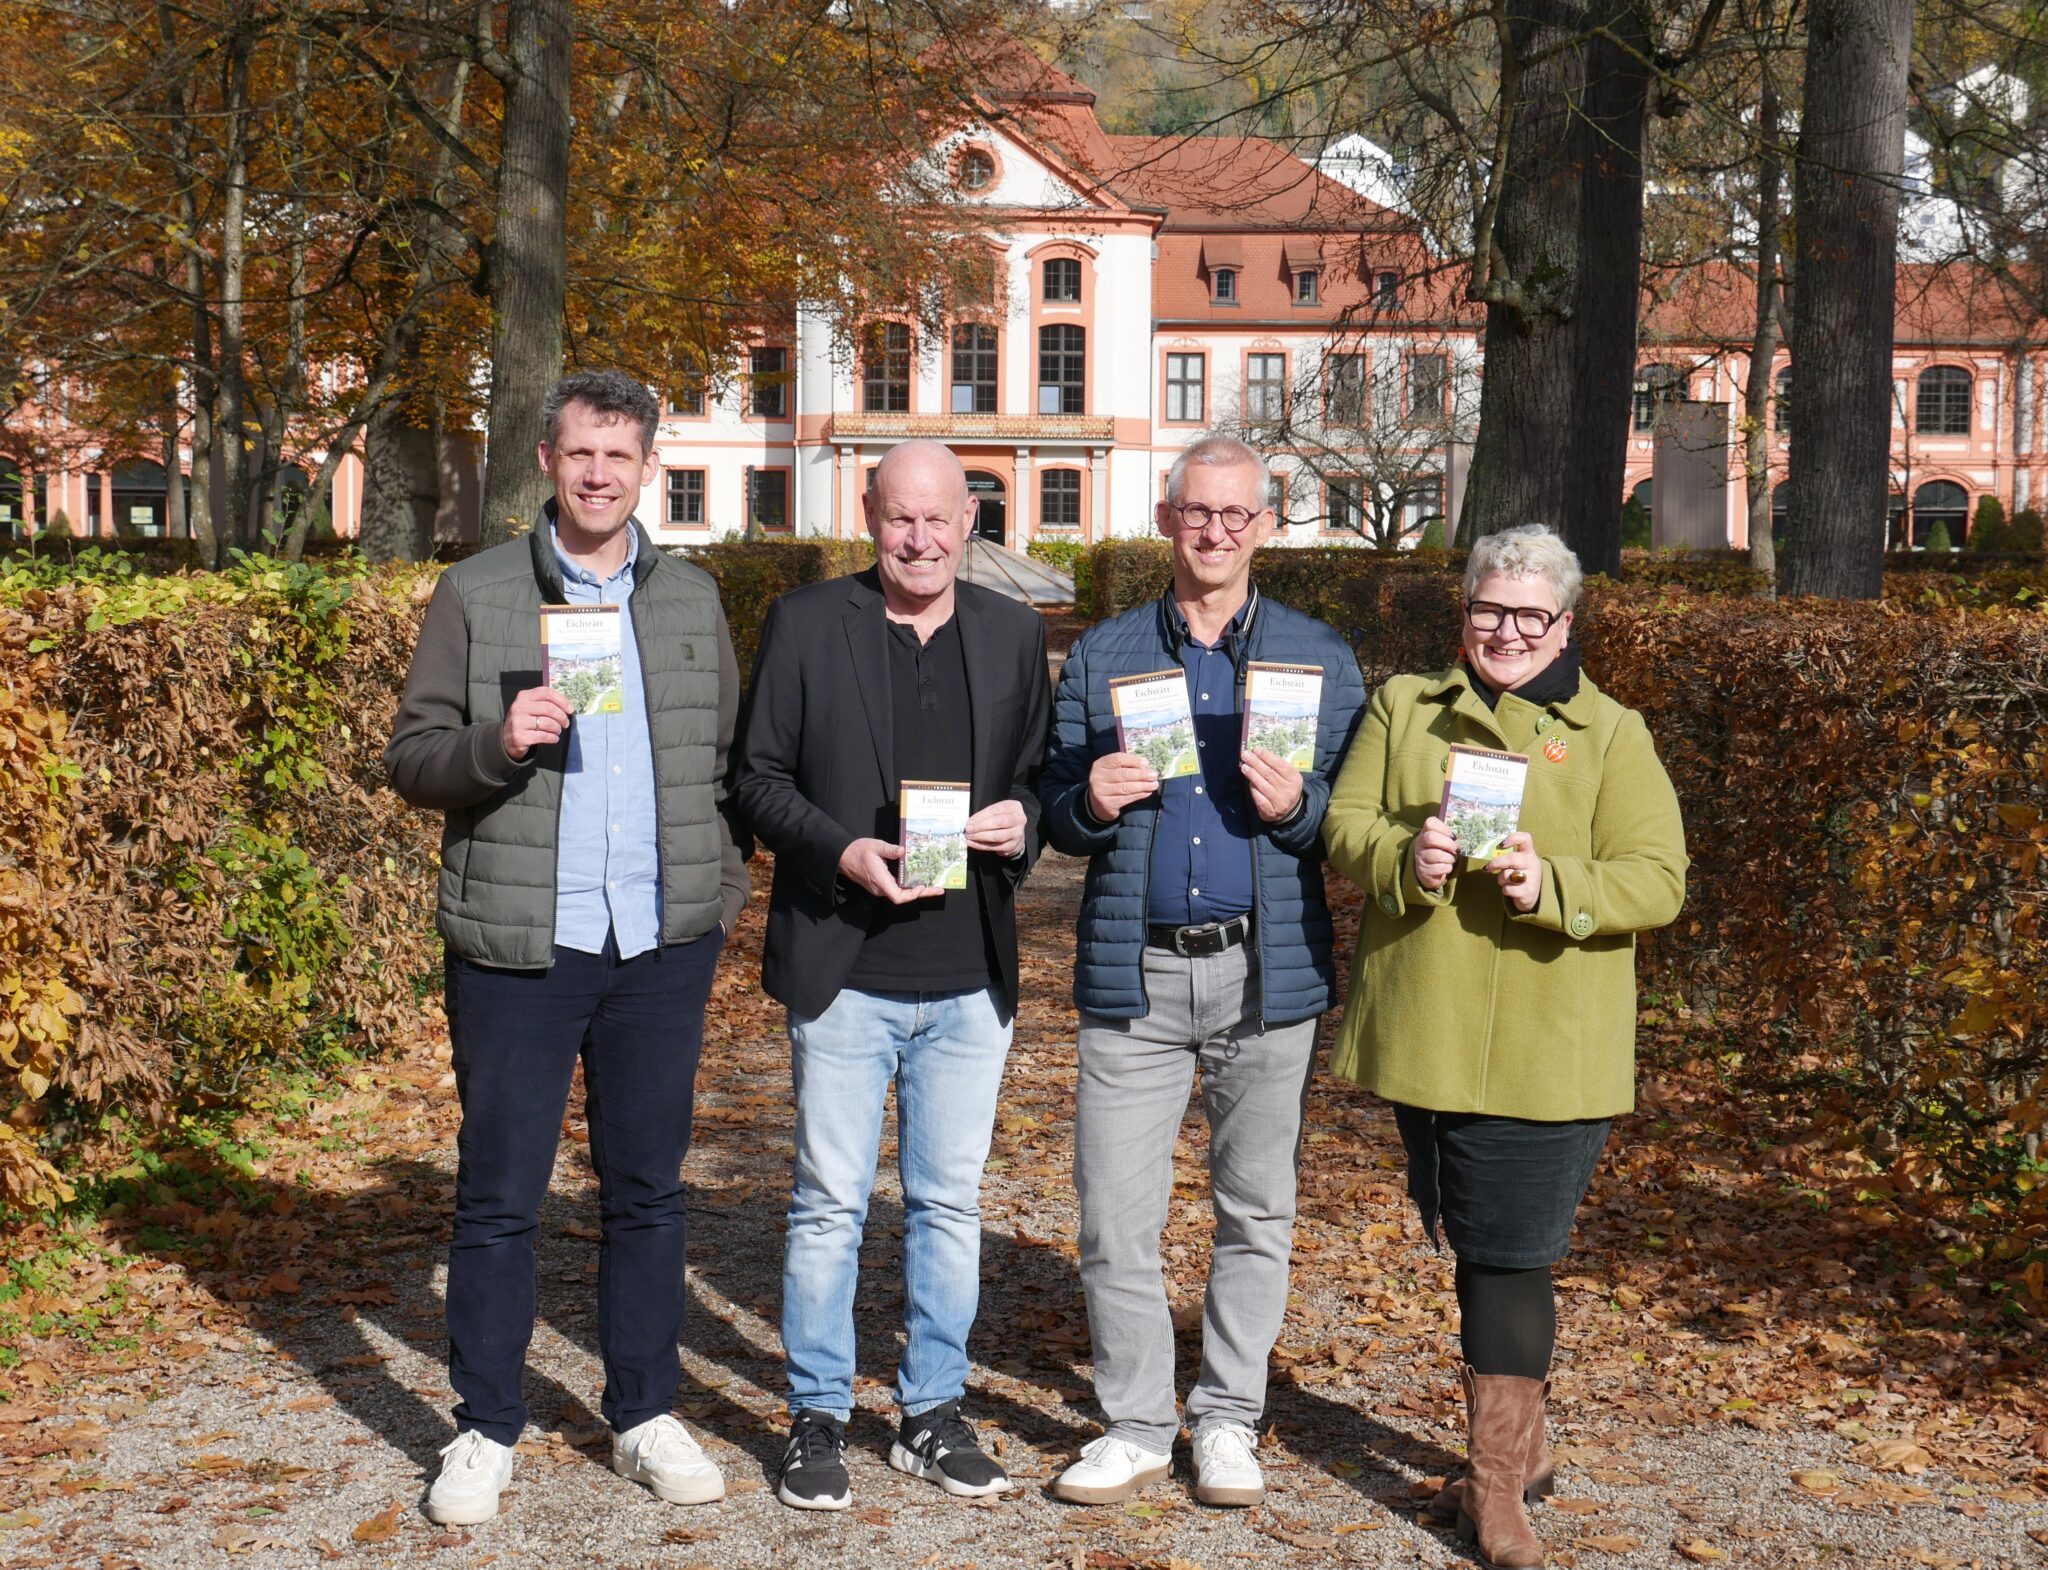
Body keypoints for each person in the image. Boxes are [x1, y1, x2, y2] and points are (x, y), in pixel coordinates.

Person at [385, 369, 747, 1526]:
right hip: (519, 945)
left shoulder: (690, 599)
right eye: (580, 453)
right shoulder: (478, 590)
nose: (599, 474)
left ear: (648, 466)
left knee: (647, 1192)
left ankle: (643, 1410)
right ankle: (485, 1427)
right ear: (546, 459)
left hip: (653, 943)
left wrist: (718, 895)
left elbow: (729, 766)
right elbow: (412, 758)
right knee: (498, 1198)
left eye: (621, 456)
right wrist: (497, 740)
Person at [1322, 524, 1687, 1569]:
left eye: (1531, 615)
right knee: (1470, 1235)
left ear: (1564, 624)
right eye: (1490, 609)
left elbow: (1657, 877)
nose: (1508, 631)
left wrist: (1554, 885)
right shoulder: (1403, 706)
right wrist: (1407, 851)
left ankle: (1494, 1494)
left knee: (1504, 1257)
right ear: (1464, 611)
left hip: (1550, 1041)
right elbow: (1344, 825)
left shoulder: (1610, 731)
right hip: (1423, 1027)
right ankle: (1522, 1450)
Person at [1038, 434, 1366, 1509]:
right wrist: (1091, 799)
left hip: (1261, 974)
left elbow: (1353, 822)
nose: (1213, 531)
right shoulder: (1104, 653)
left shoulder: (1317, 656)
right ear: (1165, 517)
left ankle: (1226, 1418)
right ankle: (1134, 1422)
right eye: (1195, 512)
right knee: (1112, 1216)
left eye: (1234, 515)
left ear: (1261, 525)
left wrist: (1301, 808)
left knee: (1253, 1209)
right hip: (1133, 974)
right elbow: (1055, 812)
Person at [731, 439, 1051, 1511]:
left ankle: (928, 1412)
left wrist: (1024, 824)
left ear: (969, 521)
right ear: (869, 516)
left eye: (937, 520)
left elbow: (1034, 785)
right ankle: (816, 1414)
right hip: (845, 967)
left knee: (947, 1206)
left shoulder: (1011, 634)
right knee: (827, 1204)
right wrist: (837, 849)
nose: (918, 540)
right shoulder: (809, 622)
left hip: (967, 977)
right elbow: (756, 781)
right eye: (896, 520)